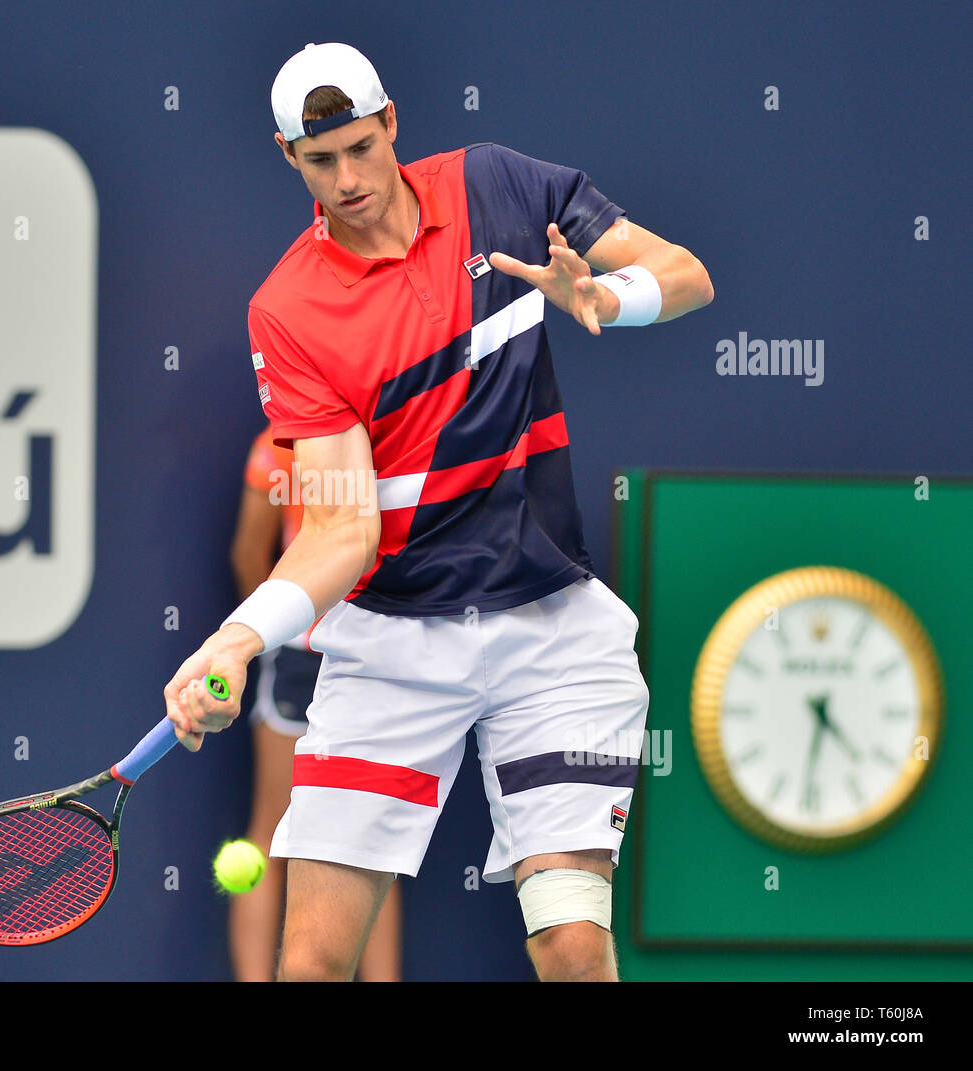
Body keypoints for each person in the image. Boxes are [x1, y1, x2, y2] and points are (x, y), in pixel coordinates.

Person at [164, 41, 713, 981]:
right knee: (313, 966)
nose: (347, 179)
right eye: (319, 159)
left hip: (550, 630)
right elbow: (342, 528)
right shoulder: (288, 311)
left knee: (573, 945)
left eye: (359, 148)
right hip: (391, 646)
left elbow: (687, 274)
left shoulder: (498, 185)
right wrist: (238, 638)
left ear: (390, 125)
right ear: (287, 157)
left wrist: (603, 297)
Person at [227, 426, 401, 981]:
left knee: (371, 845)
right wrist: (283, 628)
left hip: (367, 656)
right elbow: (250, 554)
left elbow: (249, 553)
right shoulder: (276, 449)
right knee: (297, 837)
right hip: (318, 654)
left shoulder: (273, 448)